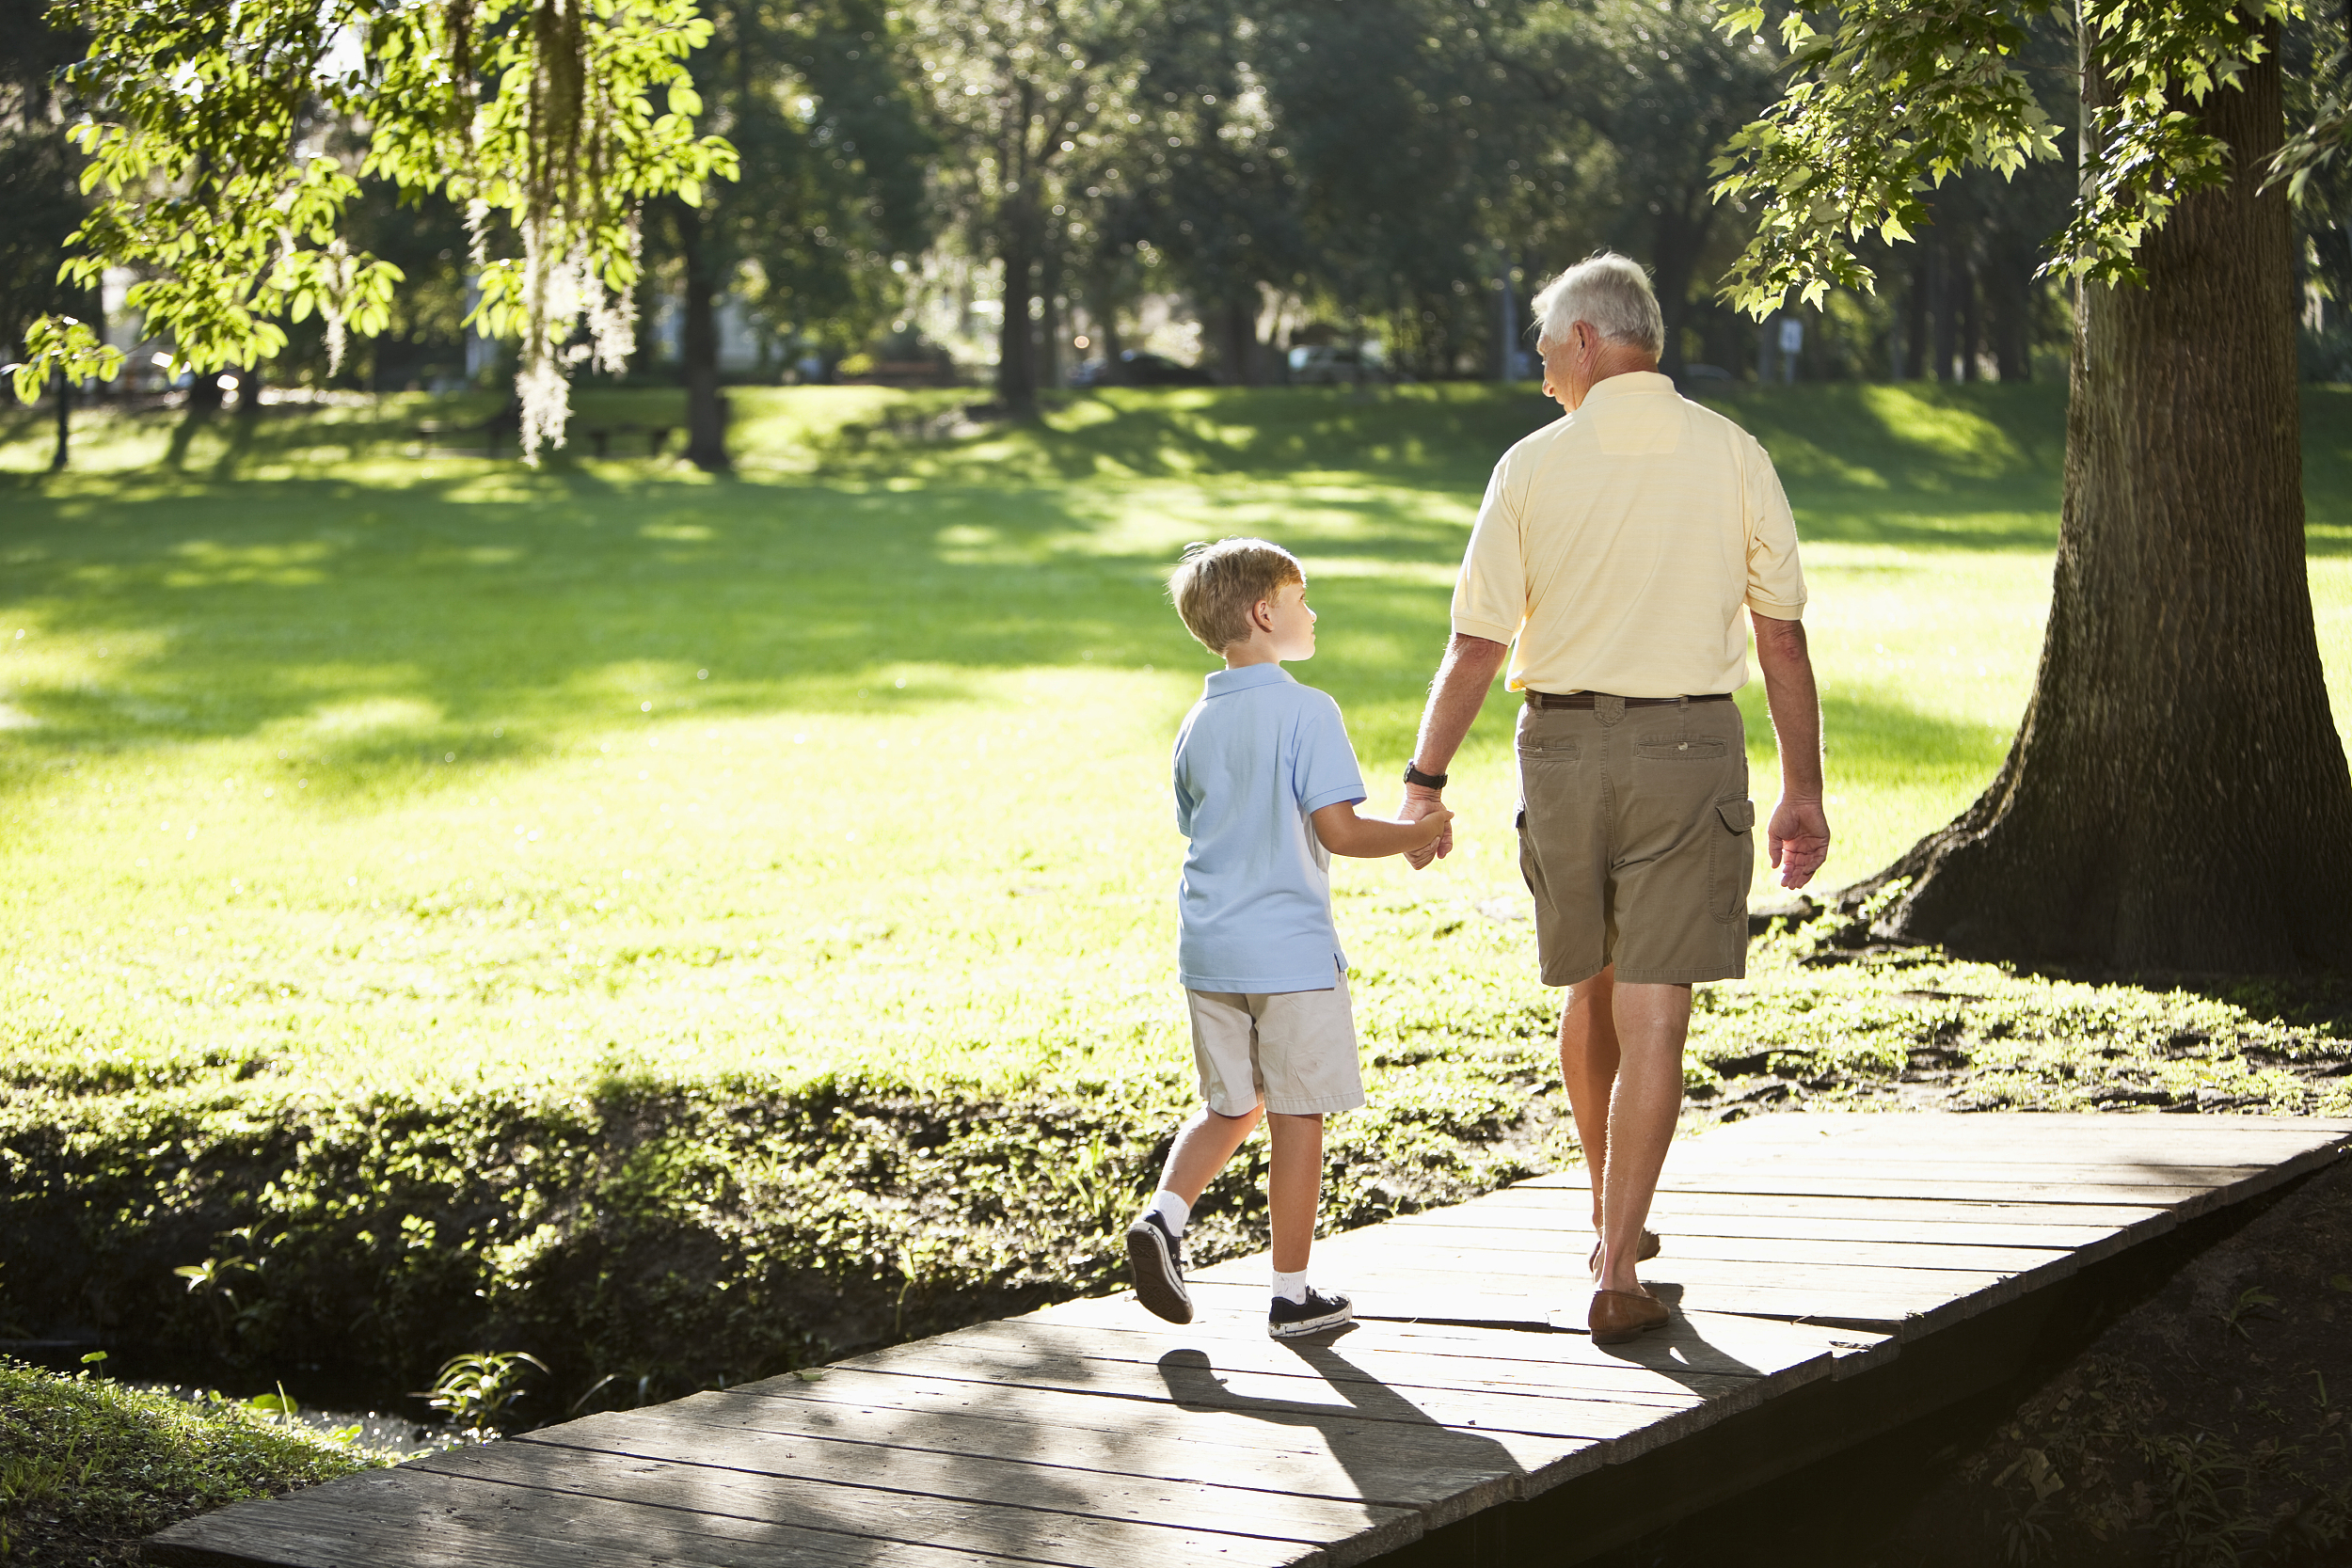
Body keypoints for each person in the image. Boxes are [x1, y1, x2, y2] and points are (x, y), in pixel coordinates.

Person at [1393, 254, 1830, 1345]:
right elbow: (1779, 635)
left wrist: (1424, 780)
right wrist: (1801, 790)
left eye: (1545, 346)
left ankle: (1612, 1231)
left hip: (1563, 747)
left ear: (1589, 338)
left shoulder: (1530, 466)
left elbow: (1475, 644)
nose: (1538, 366)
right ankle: (1614, 1260)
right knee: (1656, 1004)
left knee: (1587, 988)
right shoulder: (1735, 454)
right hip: (1691, 745)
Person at [1127, 537, 1454, 1339]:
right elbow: (1338, 830)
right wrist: (1421, 829)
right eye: (1303, 599)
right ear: (1265, 613)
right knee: (1298, 1113)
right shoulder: (1309, 709)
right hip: (1291, 954)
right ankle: (1290, 1293)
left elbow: (1200, 828)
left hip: (1208, 950)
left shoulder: (1196, 721)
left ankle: (1165, 1216)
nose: (1314, 612)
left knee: (1230, 1102)